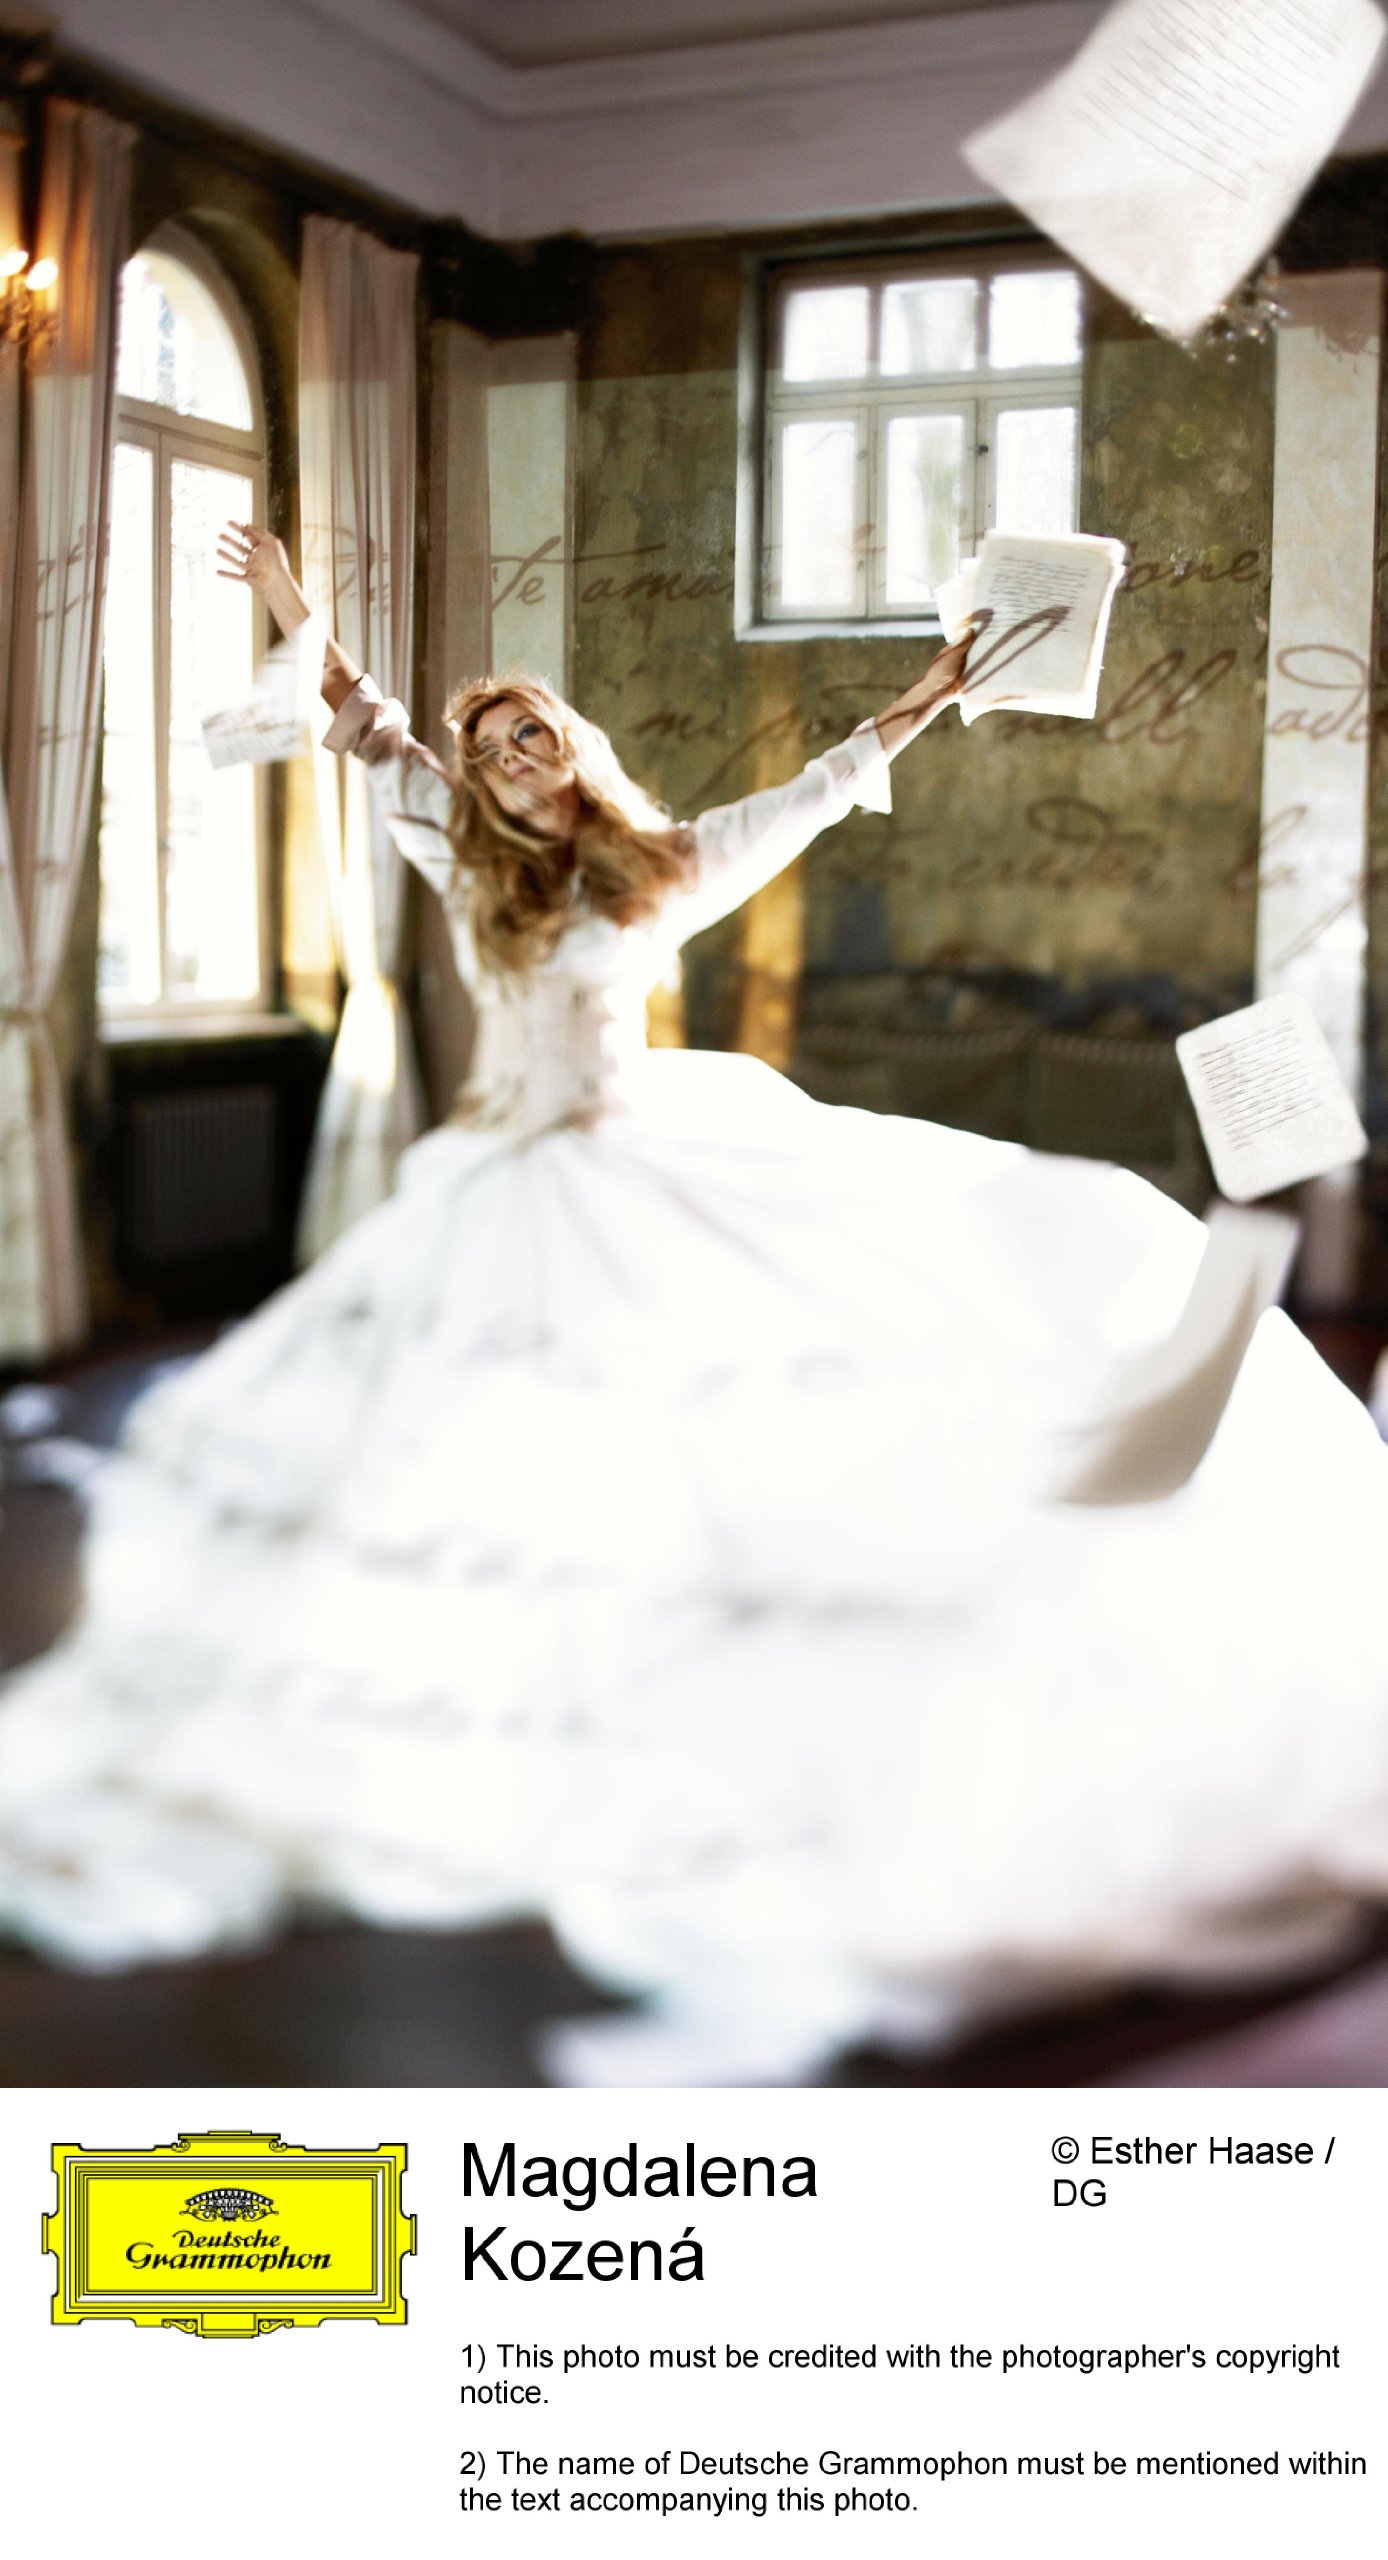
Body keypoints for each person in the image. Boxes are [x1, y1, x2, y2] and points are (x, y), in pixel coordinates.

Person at [1, 522, 1386, 2085]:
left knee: (700, 1417)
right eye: (491, 749)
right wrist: (285, 599)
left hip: (624, 1170)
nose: (510, 760)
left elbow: (816, 793)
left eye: (529, 735)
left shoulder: (660, 867)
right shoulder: (460, 853)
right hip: (493, 1187)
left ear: (572, 749)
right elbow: (361, 717)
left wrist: (936, 685)